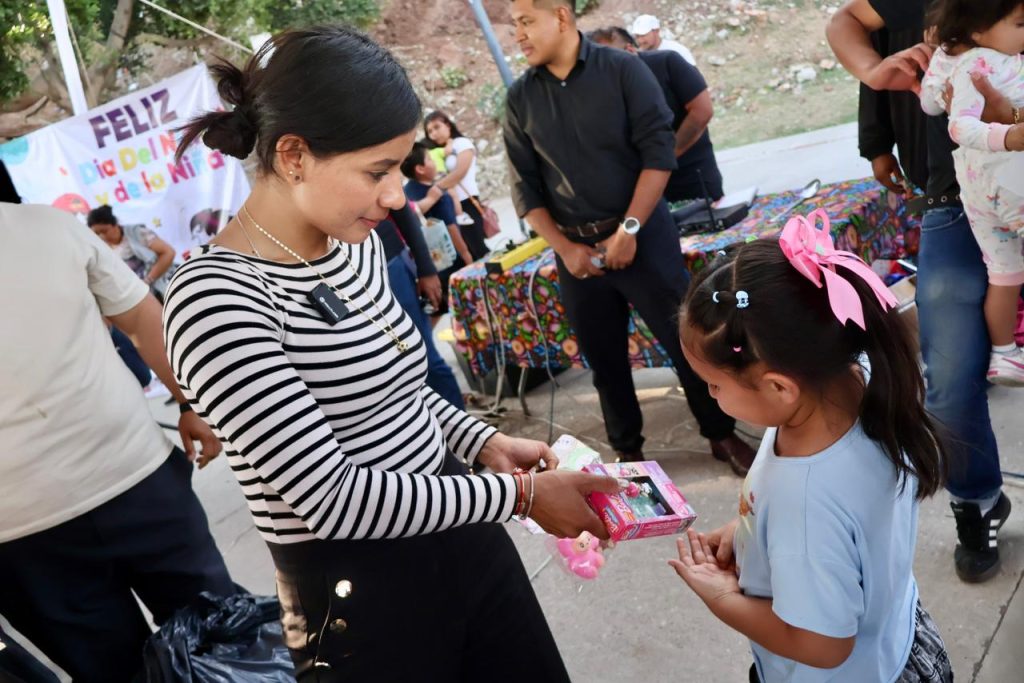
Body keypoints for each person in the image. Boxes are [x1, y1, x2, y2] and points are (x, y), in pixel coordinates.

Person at [165, 25, 621, 681]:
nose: (395, 195)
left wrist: (480, 442)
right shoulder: (216, 298)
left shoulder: (350, 246)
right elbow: (331, 497)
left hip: (463, 527)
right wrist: (521, 496)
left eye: (400, 168)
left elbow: (398, 393)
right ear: (293, 156)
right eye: (377, 172)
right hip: (358, 596)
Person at [670, 215, 952, 683]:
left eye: (713, 385)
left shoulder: (802, 503)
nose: (710, 396)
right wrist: (750, 532)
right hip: (898, 638)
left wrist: (722, 599)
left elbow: (823, 645)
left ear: (780, 387)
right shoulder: (856, 375)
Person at [505, 0, 755, 473]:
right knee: (605, 362)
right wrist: (566, 249)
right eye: (514, 24)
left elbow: (658, 154)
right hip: (577, 253)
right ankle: (628, 453)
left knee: (687, 341)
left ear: (561, 16)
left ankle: (721, 435)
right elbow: (525, 188)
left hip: (644, 235)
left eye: (525, 21)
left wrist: (630, 229)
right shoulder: (520, 98)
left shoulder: (623, 69)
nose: (517, 34)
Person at [0, 202, 234, 683]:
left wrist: (189, 402)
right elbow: (141, 317)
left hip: (134, 477)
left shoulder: (47, 226)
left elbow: (141, 317)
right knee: (124, 669)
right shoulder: (49, 224)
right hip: (23, 534)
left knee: (224, 637)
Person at [827, 0, 1015, 583]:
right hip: (952, 202)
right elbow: (847, 23)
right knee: (950, 382)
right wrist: (875, 112)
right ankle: (977, 501)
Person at [919, 0, 1024, 385]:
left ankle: (1005, 354)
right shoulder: (985, 62)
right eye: (1020, 24)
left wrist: (939, 60)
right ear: (978, 30)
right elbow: (959, 127)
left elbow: (929, 104)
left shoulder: (952, 59)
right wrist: (1008, 136)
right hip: (1010, 179)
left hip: (976, 189)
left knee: (1005, 273)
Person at [590, 26, 723, 202]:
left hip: (692, 178)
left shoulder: (667, 62)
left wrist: (666, 157)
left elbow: (702, 111)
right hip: (643, 191)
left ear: (629, 50)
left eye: (607, 60)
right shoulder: (602, 89)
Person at [376, 200, 467, 408]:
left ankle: (458, 418)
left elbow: (402, 210)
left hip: (391, 265)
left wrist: (426, 269)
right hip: (342, 279)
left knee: (423, 355)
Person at [402, 141, 478, 316]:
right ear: (420, 169)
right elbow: (451, 229)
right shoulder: (436, 194)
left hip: (426, 263)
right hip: (449, 259)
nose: (434, 162)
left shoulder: (407, 192)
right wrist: (467, 255)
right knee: (465, 306)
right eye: (429, 159)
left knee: (439, 309)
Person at [424, 110, 492, 245]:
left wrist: (437, 188)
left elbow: (460, 171)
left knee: (476, 245)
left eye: (437, 127)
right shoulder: (438, 152)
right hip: (450, 204)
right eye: (430, 131)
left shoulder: (461, 143)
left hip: (466, 200)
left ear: (448, 125)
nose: (434, 134)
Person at [87, 204, 177, 300]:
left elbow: (168, 253)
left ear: (115, 224)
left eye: (104, 231)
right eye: (97, 234)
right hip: (140, 297)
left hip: (167, 284)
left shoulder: (137, 232)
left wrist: (148, 279)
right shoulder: (102, 250)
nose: (102, 236)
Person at [631, 13, 697, 66]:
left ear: (656, 31)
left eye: (643, 35)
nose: (640, 40)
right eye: (637, 36)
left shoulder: (676, 50)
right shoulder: (638, 57)